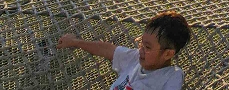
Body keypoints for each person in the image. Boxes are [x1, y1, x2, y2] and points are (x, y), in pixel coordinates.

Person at [56, 11, 190, 90]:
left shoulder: (171, 76)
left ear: (168, 54)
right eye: (142, 43)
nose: (141, 50)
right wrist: (74, 42)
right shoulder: (135, 59)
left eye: (148, 47)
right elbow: (107, 49)